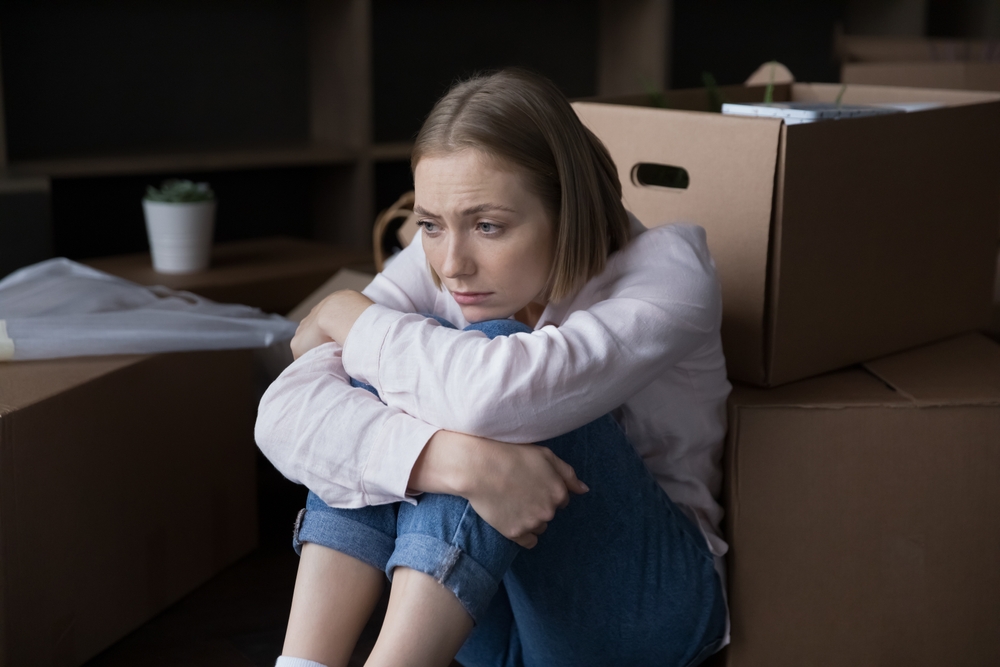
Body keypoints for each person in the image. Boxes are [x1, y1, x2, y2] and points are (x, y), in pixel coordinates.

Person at [256, 68, 731, 667]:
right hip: (489, 614)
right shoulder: (437, 257)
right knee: (382, 375)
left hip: (641, 616)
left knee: (478, 359)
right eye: (429, 224)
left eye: (489, 226)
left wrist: (342, 312)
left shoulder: (671, 272)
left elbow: (494, 394)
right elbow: (282, 415)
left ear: (569, 209)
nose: (451, 264)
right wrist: (460, 463)